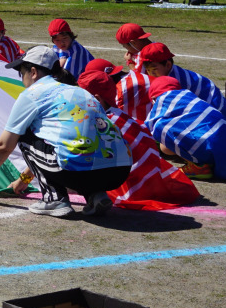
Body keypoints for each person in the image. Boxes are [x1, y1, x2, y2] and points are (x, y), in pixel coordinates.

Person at [0, 45, 131, 217]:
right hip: (119, 171)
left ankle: (54, 199)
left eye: (21, 73)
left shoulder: (32, 94)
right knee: (81, 150)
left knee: (24, 134)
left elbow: (4, 145)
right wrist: (23, 180)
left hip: (78, 172)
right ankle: (95, 195)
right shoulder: (80, 91)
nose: (22, 79)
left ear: (33, 72)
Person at [76, 60, 200, 210]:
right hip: (151, 179)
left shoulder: (100, 123)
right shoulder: (125, 117)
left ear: (97, 99)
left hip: (130, 186)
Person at [116, 43, 226, 137]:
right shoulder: (166, 73)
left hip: (214, 117)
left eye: (154, 69)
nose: (150, 73)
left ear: (168, 65)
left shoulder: (176, 81)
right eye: (148, 70)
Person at [145, 75, 226, 181]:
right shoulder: (189, 95)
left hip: (211, 143)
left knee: (160, 128)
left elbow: (147, 127)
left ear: (154, 97)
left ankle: (199, 166)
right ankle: (207, 161)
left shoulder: (163, 100)